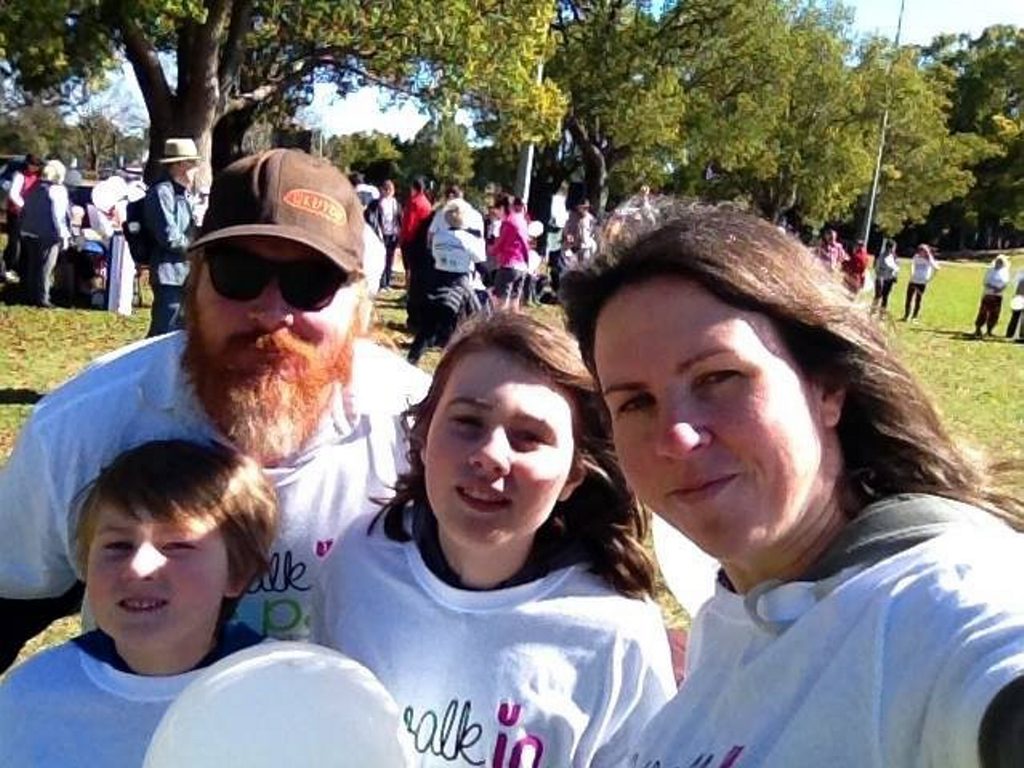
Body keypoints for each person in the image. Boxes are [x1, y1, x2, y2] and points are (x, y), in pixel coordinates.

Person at [562, 197, 1024, 767]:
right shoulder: (735, 618)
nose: (675, 436)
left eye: (718, 377)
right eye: (635, 401)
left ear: (827, 388)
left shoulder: (939, 602)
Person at [0, 148, 430, 672]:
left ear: (359, 302)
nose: (272, 314)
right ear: (195, 280)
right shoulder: (83, 425)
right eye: (237, 273)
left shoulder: (424, 431)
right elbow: (12, 599)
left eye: (310, 284)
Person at [314, 312, 675, 768]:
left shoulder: (616, 635)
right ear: (423, 436)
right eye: (468, 422)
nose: (490, 456)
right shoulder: (359, 563)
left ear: (573, 476)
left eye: (529, 437)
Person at [0, 439, 277, 767]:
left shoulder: (284, 689)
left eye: (177, 545)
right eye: (118, 545)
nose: (138, 566)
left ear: (238, 573)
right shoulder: (33, 695)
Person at [406, 199, 485, 365]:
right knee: (476, 321)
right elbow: (480, 264)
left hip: (438, 280)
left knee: (427, 327)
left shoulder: (439, 237)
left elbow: (435, 255)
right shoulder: (469, 239)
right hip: (459, 283)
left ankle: (413, 357)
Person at [143, 137, 201, 336]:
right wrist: (199, 247)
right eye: (192, 163)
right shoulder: (161, 193)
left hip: (186, 273)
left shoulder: (186, 195)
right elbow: (169, 237)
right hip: (169, 275)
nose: (196, 169)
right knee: (163, 333)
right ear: (178, 165)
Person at [19, 159, 71, 308]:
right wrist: (64, 235)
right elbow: (58, 216)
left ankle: (31, 295)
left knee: (33, 265)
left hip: (29, 230)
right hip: (48, 232)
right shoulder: (58, 190)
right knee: (46, 267)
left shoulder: (35, 186)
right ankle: (43, 298)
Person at [2, 153, 42, 284]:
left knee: (26, 243)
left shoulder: (39, 177)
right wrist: (24, 206)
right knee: (15, 243)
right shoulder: (20, 176)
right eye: (33, 165)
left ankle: (21, 270)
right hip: (16, 213)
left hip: (31, 215)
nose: (35, 167)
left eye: (37, 165)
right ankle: (7, 268)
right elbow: (14, 194)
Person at [490, 196, 530, 308]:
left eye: (496, 210)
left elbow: (499, 245)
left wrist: (489, 250)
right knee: (514, 302)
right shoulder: (521, 220)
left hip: (508, 265)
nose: (496, 214)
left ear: (502, 208)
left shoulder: (508, 223)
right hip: (521, 266)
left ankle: (500, 325)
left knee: (500, 303)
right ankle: (515, 325)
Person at [365, 179, 402, 290]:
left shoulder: (396, 203)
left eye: (391, 190)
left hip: (392, 235)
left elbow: (399, 217)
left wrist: (399, 231)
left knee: (390, 258)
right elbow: (370, 217)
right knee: (381, 258)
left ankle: (387, 282)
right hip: (381, 235)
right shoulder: (375, 204)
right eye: (386, 190)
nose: (388, 192)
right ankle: (381, 282)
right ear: (382, 190)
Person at [974, 255, 1011, 337]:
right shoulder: (990, 270)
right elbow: (985, 281)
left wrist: (1000, 288)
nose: (999, 263)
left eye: (1001, 262)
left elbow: (1006, 282)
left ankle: (989, 330)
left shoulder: (1005, 271)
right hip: (988, 294)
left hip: (998, 295)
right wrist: (992, 287)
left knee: (994, 313)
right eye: (998, 261)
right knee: (983, 312)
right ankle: (978, 328)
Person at [902, 243, 939, 322]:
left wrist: (929, 278)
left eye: (923, 251)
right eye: (920, 251)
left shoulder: (929, 259)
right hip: (913, 280)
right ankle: (906, 315)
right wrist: (912, 273)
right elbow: (912, 264)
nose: (921, 252)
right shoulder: (916, 257)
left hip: (921, 282)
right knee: (908, 298)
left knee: (918, 299)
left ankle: (914, 316)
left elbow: (936, 268)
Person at [872, 238, 899, 314]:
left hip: (889, 280)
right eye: (893, 247)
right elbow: (877, 268)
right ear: (890, 247)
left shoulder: (894, 257)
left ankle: (882, 313)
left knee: (885, 297)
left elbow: (896, 268)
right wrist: (880, 276)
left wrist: (894, 274)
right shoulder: (881, 256)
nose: (894, 249)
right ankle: (873, 310)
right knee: (877, 295)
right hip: (880, 278)